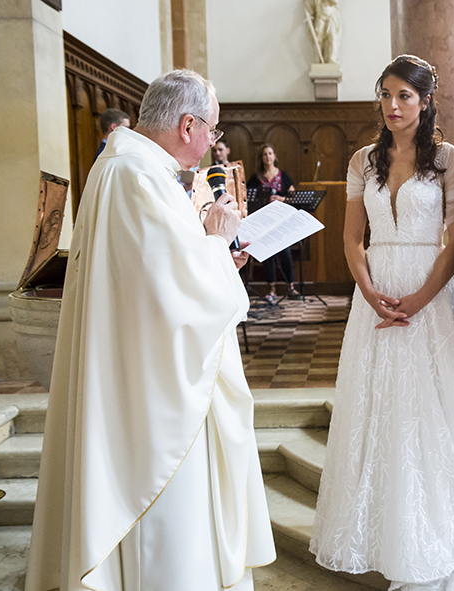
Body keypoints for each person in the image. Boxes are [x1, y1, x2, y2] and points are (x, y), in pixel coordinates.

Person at [25, 69, 276, 591]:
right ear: (187, 125)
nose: (214, 141)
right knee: (167, 535)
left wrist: (218, 253)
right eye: (213, 129)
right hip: (155, 395)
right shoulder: (135, 175)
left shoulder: (134, 167)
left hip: (150, 368)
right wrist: (214, 242)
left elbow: (161, 277)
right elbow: (174, 296)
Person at [310, 55, 454, 591]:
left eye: (405, 97)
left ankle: (432, 527)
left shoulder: (448, 160)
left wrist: (416, 300)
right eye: (386, 95)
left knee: (431, 408)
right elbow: (350, 237)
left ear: (425, 100)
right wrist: (368, 291)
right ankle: (384, 532)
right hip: (375, 291)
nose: (393, 106)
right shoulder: (361, 161)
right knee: (380, 407)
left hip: (430, 291)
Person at [247, 143, 300, 302]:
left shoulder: (283, 176)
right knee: (267, 254)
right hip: (263, 221)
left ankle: (291, 287)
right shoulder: (256, 177)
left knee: (286, 253)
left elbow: (294, 197)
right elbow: (248, 198)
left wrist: (282, 199)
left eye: (270, 153)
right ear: (261, 158)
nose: (267, 157)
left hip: (281, 221)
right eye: (264, 154)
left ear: (274, 156)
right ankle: (271, 289)